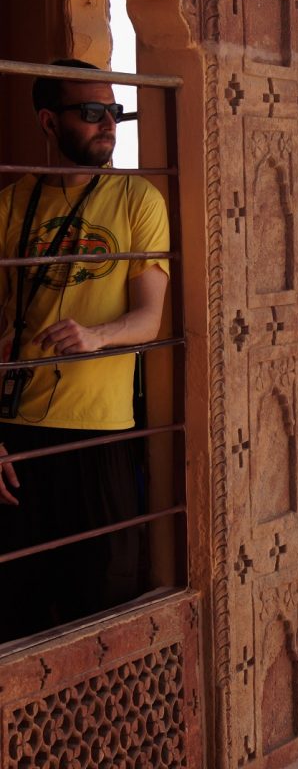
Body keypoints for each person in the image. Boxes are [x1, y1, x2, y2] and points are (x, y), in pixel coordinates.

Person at [0, 59, 169, 643]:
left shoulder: (135, 199)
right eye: (91, 112)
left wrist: (98, 337)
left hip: (101, 429)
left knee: (101, 599)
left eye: (114, 112)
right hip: (16, 432)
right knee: (16, 603)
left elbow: (150, 317)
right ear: (49, 120)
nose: (109, 125)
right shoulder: (9, 205)